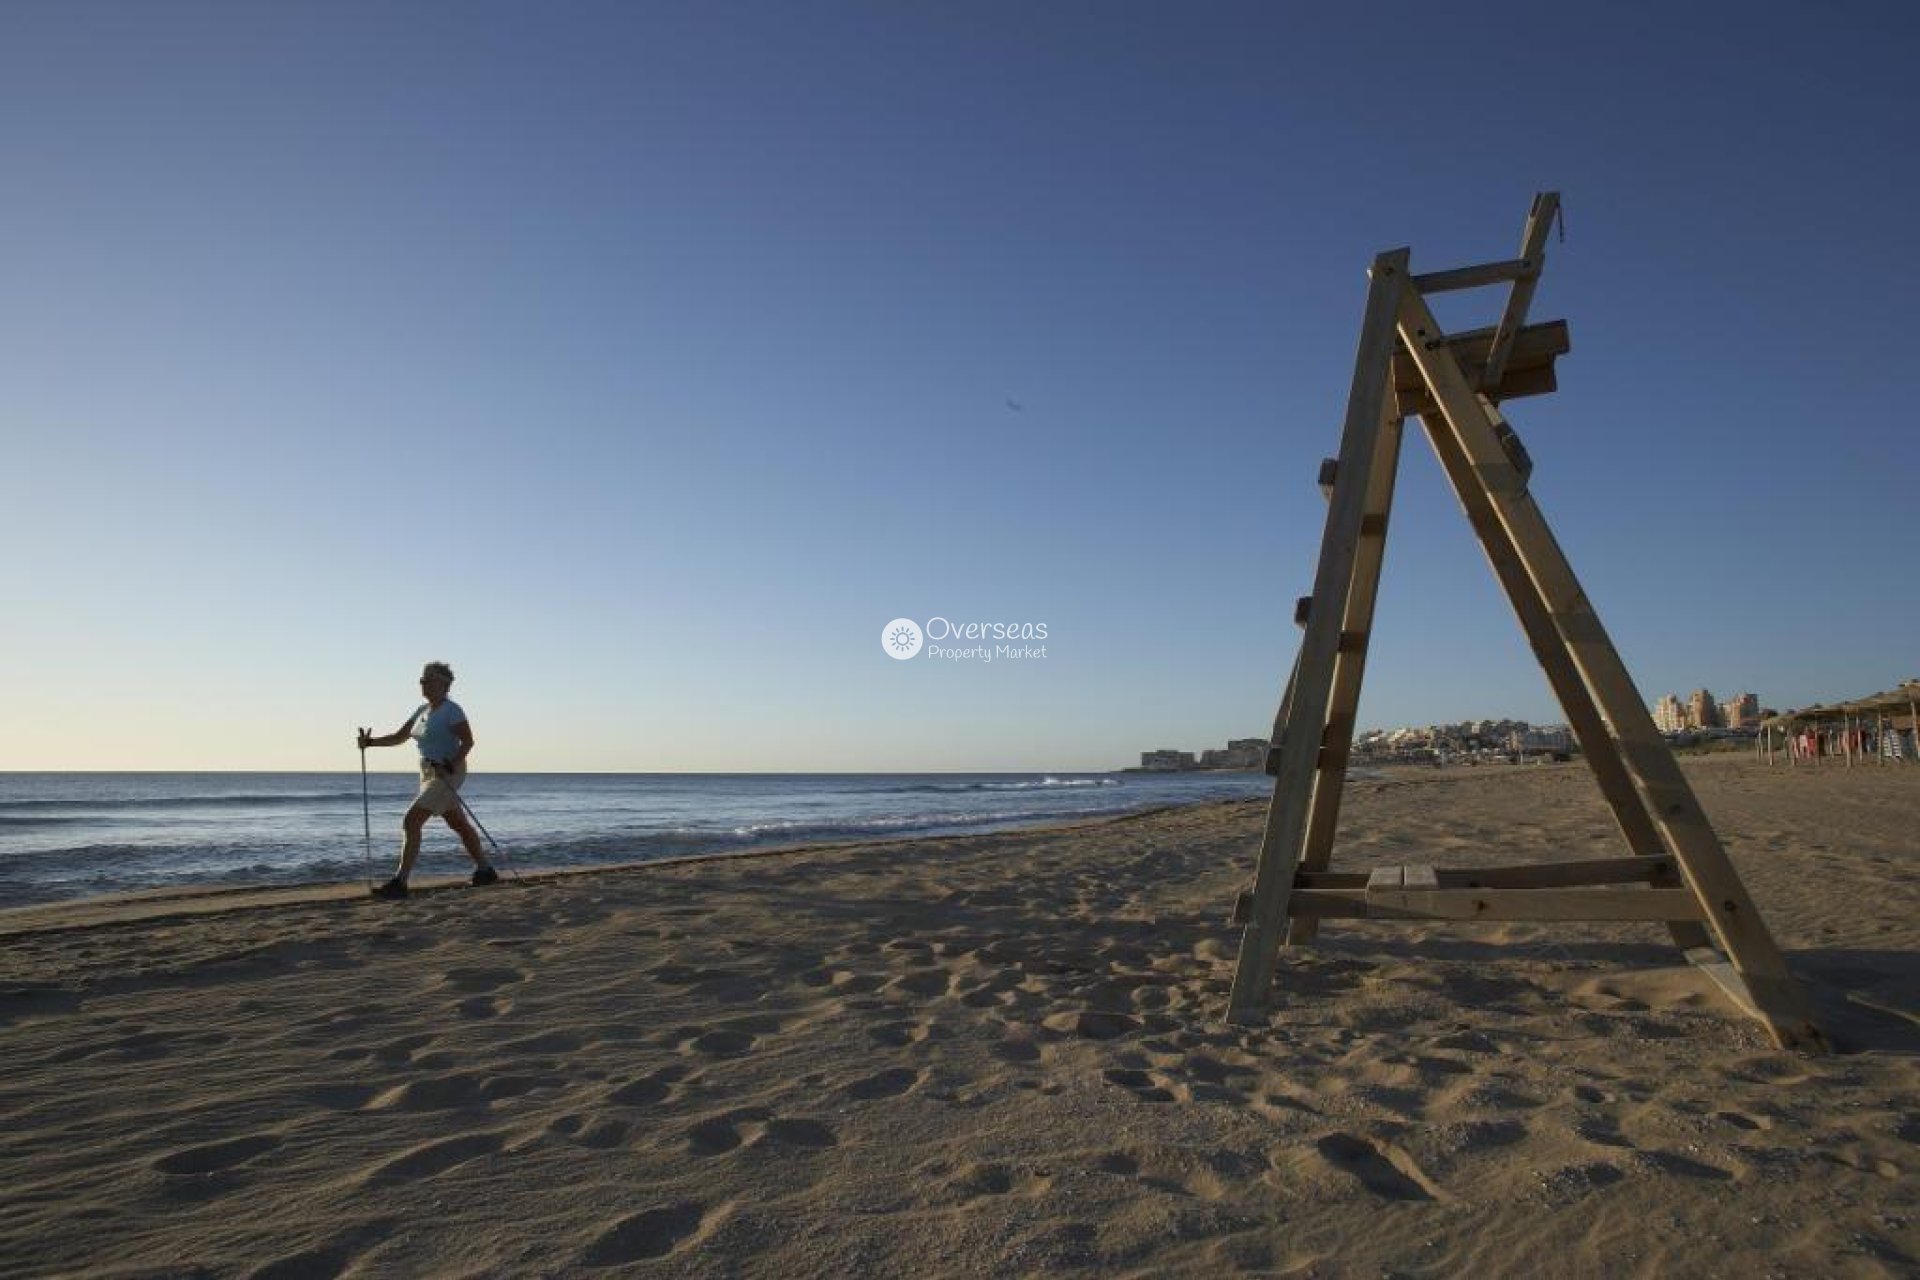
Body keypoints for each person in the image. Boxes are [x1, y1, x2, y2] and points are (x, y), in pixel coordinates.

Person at [357, 661, 498, 899]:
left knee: (411, 821)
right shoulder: (421, 711)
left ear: (444, 684)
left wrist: (450, 764)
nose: (424, 684)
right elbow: (400, 737)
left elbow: (468, 742)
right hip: (427, 774)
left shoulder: (452, 710)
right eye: (422, 680)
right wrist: (370, 743)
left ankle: (400, 882)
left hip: (448, 772)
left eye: (429, 680)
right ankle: (485, 870)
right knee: (458, 824)